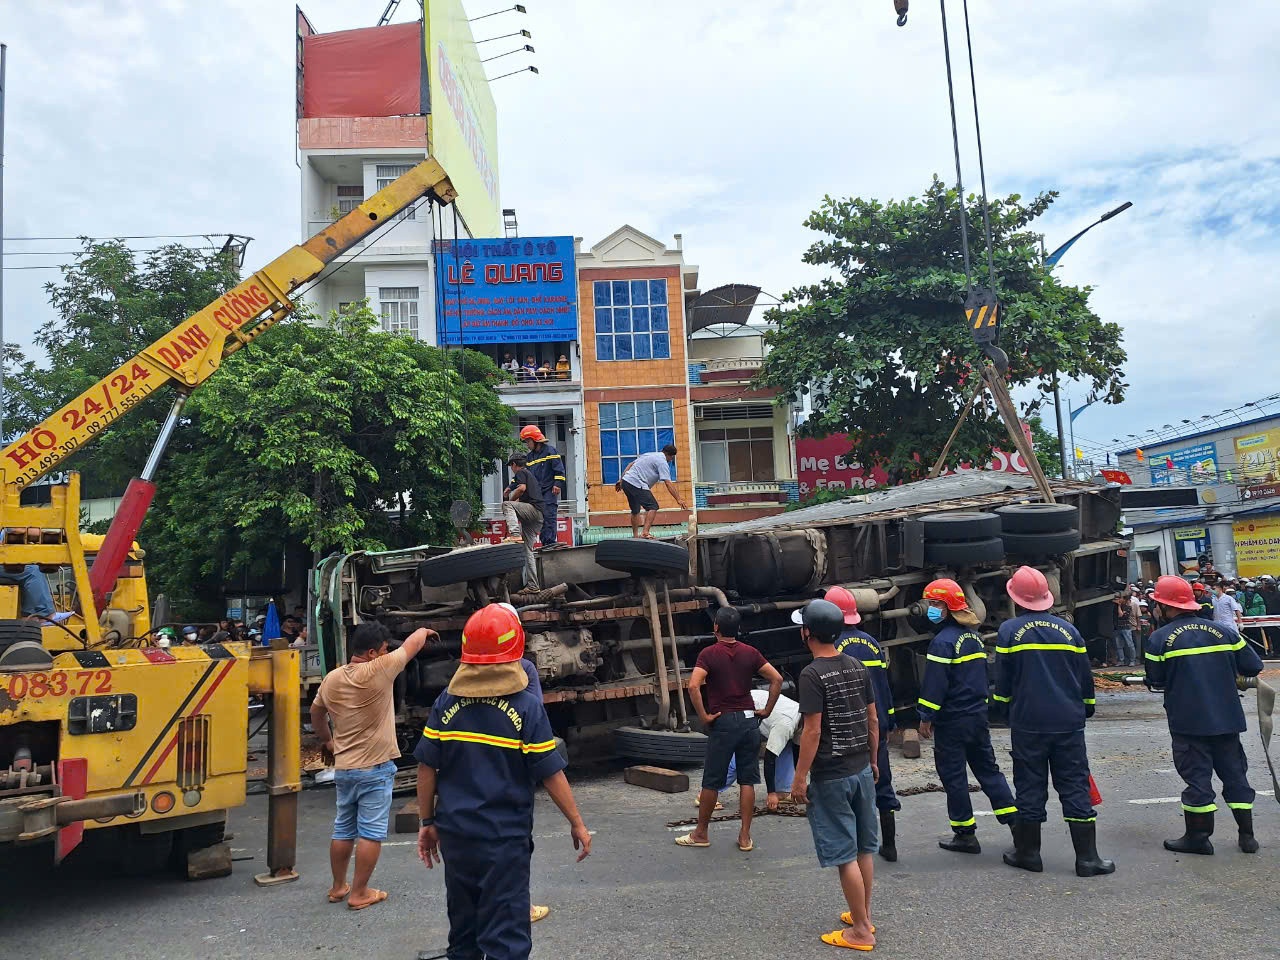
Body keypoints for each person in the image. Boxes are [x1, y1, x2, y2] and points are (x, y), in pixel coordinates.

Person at [415, 604, 591, 960]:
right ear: (516, 649)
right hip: (503, 842)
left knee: (464, 935)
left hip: (456, 836)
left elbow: (426, 768)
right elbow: (550, 772)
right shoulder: (526, 707)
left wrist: (427, 822)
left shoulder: (445, 703)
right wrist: (577, 823)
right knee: (505, 940)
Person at [995, 566, 1114, 877]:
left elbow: (1003, 683)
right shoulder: (1070, 631)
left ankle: (1028, 854)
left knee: (1030, 788)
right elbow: (1084, 679)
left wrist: (1003, 709)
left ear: (1016, 599)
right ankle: (1087, 859)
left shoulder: (1009, 632)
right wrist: (1086, 708)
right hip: (1068, 723)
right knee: (1075, 787)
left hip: (1028, 724)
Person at [311, 621, 434, 909]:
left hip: (344, 769)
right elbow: (413, 645)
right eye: (382, 649)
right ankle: (360, 892)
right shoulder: (379, 669)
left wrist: (328, 742)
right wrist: (426, 630)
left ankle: (338, 886)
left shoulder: (332, 678)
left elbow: (317, 713)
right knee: (370, 832)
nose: (386, 652)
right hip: (375, 769)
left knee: (343, 828)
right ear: (370, 653)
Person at [1144, 575, 1264, 855]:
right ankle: (1247, 837)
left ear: (1164, 606)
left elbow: (1157, 680)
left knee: (1197, 780)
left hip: (1188, 723)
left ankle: (1199, 838)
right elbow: (1253, 666)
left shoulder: (1159, 639)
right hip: (1227, 719)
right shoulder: (1225, 632)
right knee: (1236, 776)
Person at [789, 598, 879, 952]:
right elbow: (872, 719)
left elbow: (812, 732)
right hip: (860, 768)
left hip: (832, 774)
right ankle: (864, 914)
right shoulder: (857, 665)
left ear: (807, 633)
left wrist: (799, 778)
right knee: (864, 849)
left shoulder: (811, 674)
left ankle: (860, 931)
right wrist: (873, 760)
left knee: (844, 853)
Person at [916, 578, 1018, 854]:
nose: (930, 609)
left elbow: (935, 686)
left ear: (947, 608)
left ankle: (964, 834)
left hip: (953, 721)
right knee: (988, 770)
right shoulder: (972, 637)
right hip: (977, 717)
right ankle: (1016, 823)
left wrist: (926, 716)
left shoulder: (942, 643)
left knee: (954, 777)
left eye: (935, 604)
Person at [678, 607, 783, 852]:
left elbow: (693, 686)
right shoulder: (751, 653)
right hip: (749, 721)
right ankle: (745, 837)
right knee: (747, 781)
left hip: (723, 722)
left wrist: (704, 716)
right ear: (737, 629)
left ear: (716, 628)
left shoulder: (709, 654)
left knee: (712, 780)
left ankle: (701, 833)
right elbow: (776, 679)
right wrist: (766, 710)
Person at [827, 585, 901, 862]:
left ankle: (857, 848)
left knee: (850, 784)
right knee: (883, 782)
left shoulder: (834, 648)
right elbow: (884, 686)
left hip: (850, 727)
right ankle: (890, 845)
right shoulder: (871, 642)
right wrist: (890, 718)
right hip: (877, 723)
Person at [615, 444, 688, 539]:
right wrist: (678, 499)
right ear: (671, 456)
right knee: (653, 506)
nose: (671, 460)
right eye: (672, 458)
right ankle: (645, 533)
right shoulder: (662, 462)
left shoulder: (649, 454)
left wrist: (621, 480)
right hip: (637, 483)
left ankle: (635, 536)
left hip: (626, 482)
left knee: (635, 510)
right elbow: (668, 483)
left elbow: (630, 464)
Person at [520, 425, 567, 550]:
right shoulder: (529, 458)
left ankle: (549, 542)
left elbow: (560, 471)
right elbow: (525, 476)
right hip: (536, 493)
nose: (527, 444)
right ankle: (541, 542)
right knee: (537, 518)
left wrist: (557, 484)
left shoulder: (550, 451)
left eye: (528, 441)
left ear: (535, 440)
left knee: (549, 514)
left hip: (549, 490)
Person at [502, 454, 544, 593]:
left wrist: (510, 499)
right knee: (528, 551)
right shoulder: (529, 474)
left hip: (534, 511)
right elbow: (521, 500)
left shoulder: (521, 472)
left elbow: (521, 489)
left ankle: (514, 534)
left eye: (511, 466)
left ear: (514, 464)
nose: (512, 469)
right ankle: (533, 585)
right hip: (538, 516)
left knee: (507, 505)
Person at [1111, 586, 1139, 667]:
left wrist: (1119, 606)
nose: (1120, 600)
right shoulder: (1115, 607)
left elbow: (1121, 615)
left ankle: (1132, 660)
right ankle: (1121, 660)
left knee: (1130, 644)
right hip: (1118, 628)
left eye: (1121, 599)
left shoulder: (1128, 607)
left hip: (1126, 628)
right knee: (1119, 645)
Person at [1239, 581, 1267, 655]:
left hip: (1256, 621)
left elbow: (1262, 608)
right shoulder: (1242, 597)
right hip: (1246, 621)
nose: (1250, 590)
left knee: (1258, 637)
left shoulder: (1258, 597)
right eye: (1249, 588)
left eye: (1252, 589)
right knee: (1248, 637)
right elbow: (1239, 607)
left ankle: (1261, 652)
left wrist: (1261, 618)